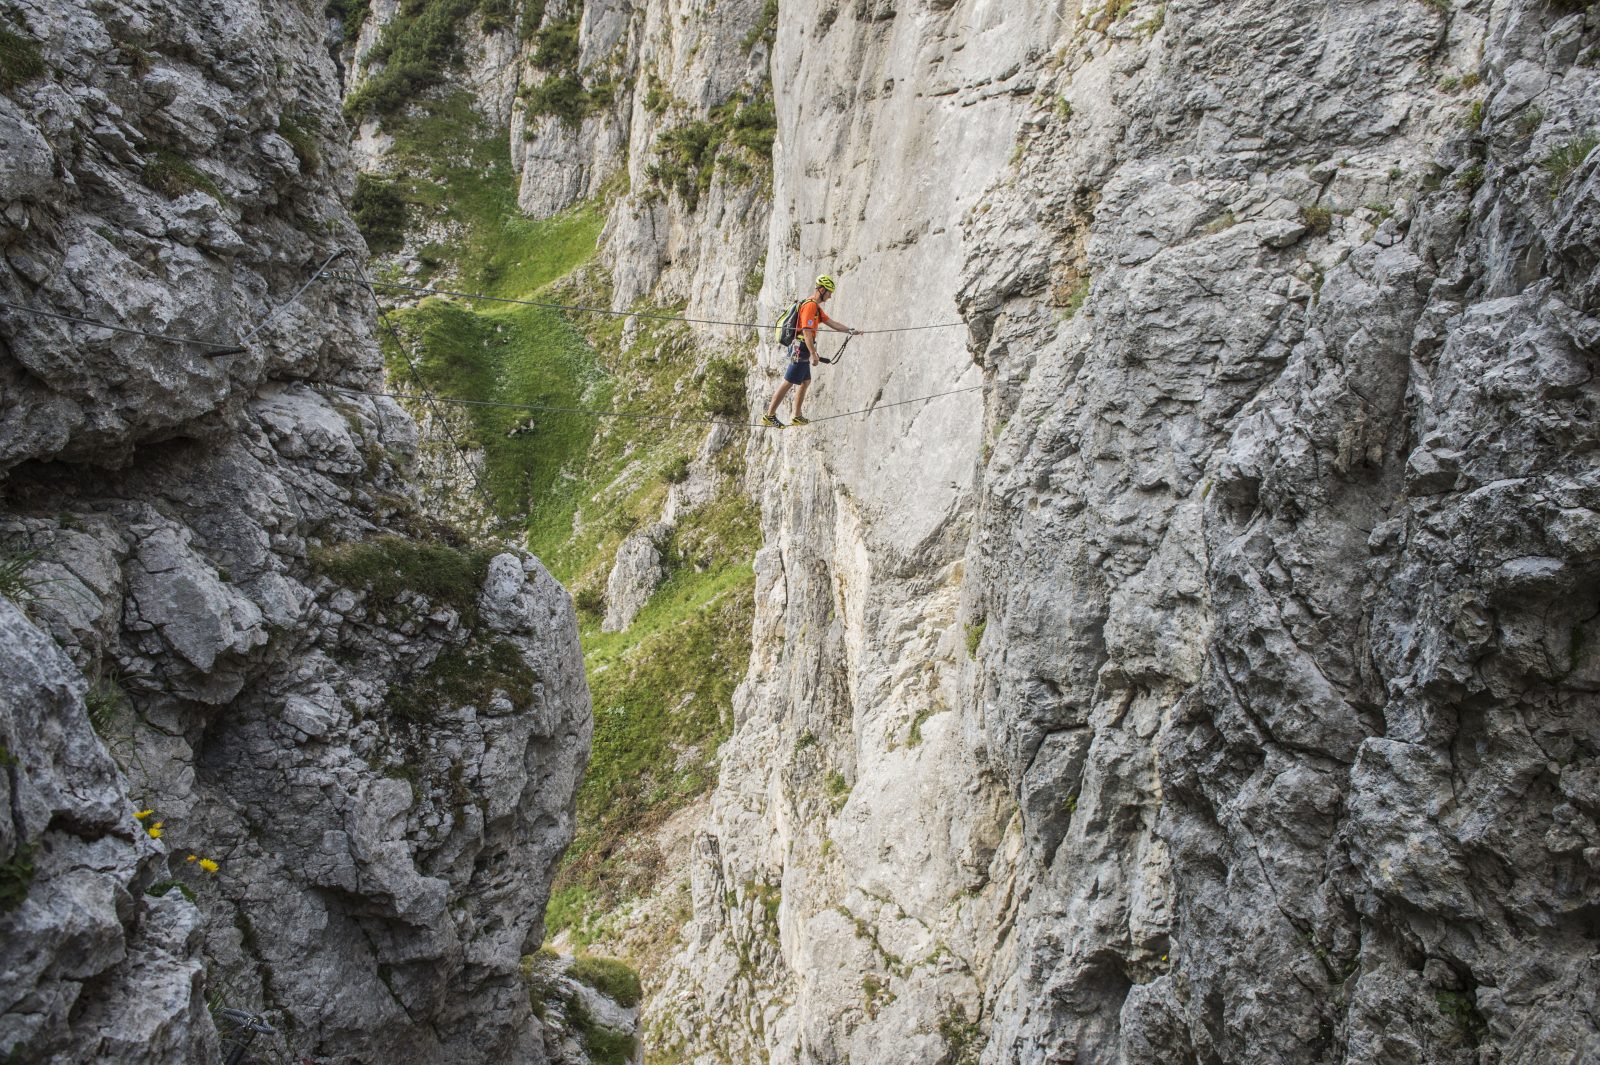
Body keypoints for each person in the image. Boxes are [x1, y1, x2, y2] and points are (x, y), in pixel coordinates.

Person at [762, 274, 858, 428]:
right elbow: (806, 331)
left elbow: (831, 323)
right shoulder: (810, 306)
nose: (830, 296)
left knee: (805, 381)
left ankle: (797, 415)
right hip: (801, 348)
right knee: (788, 382)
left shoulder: (816, 308)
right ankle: (769, 415)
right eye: (829, 292)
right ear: (821, 289)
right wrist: (813, 353)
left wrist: (850, 330)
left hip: (804, 347)